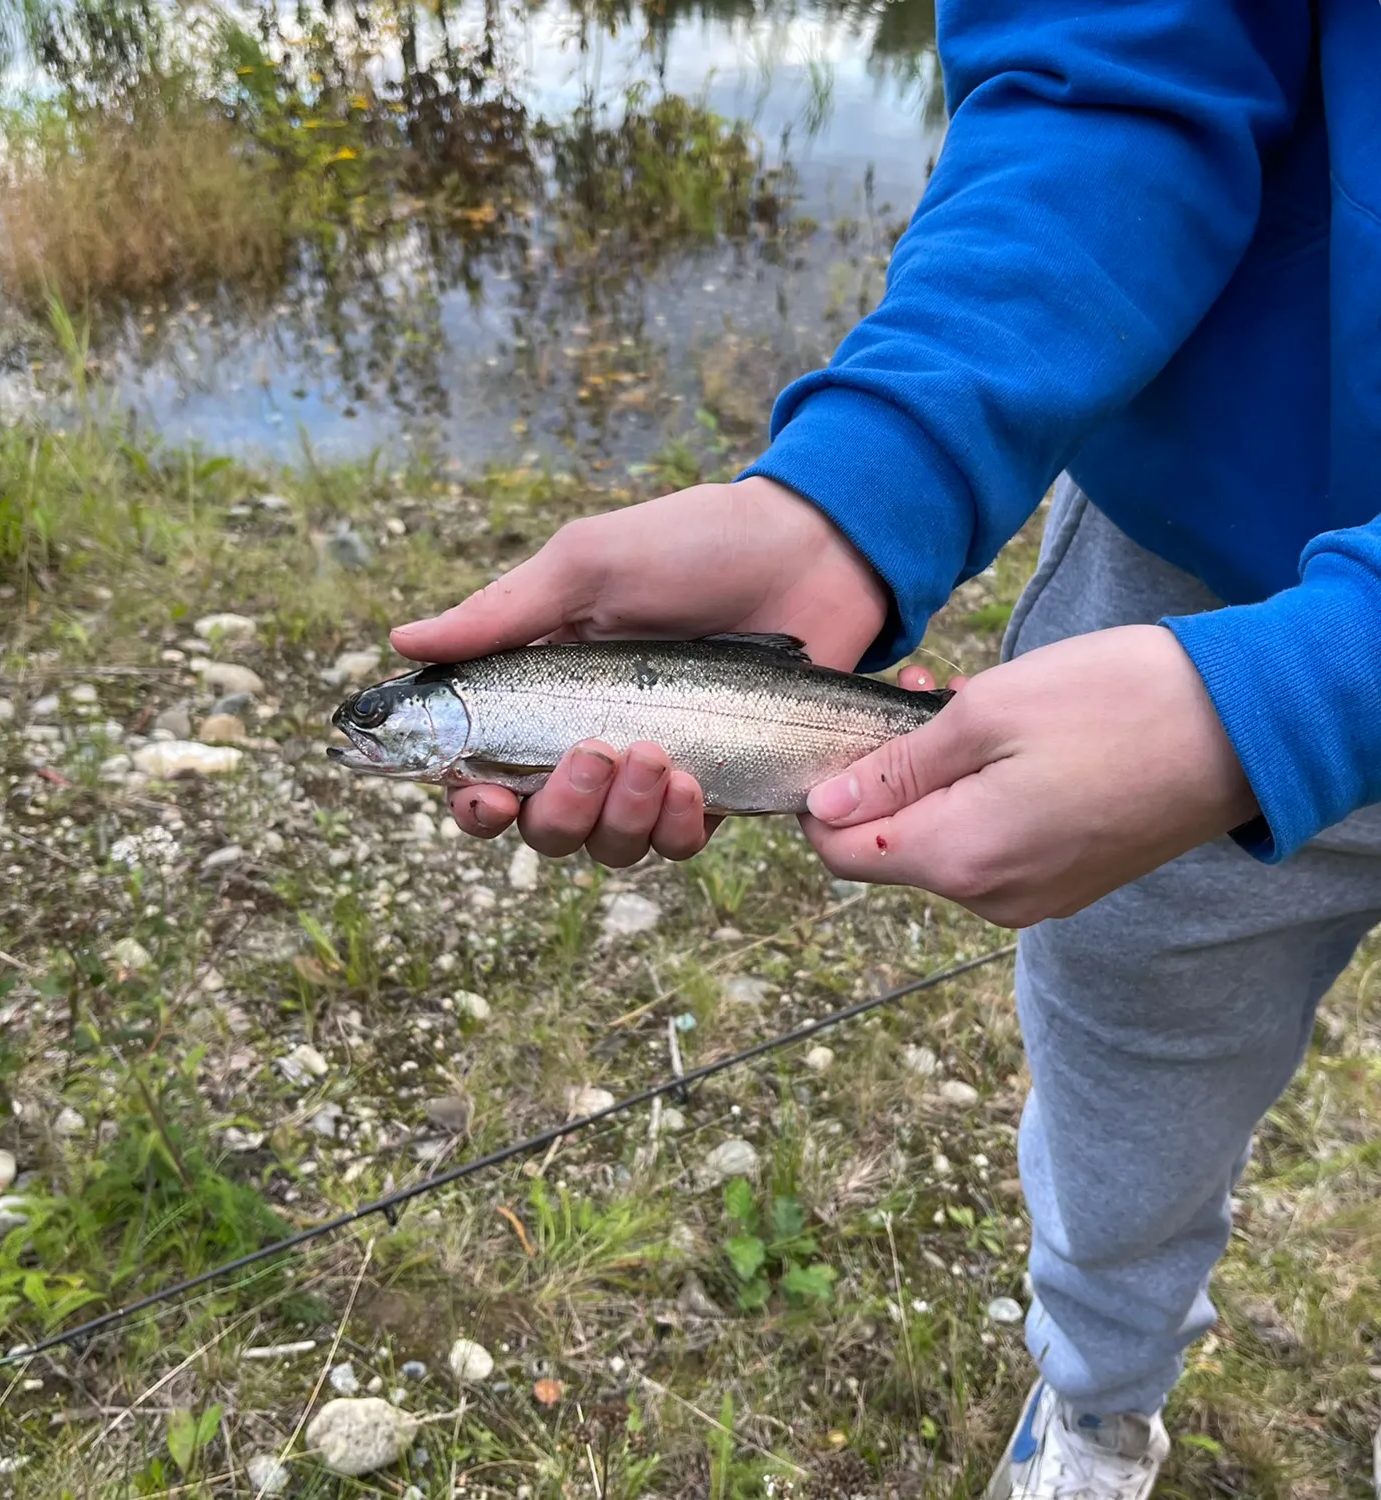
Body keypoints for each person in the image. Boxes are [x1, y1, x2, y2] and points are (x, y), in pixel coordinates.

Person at [393, 0, 1381, 1493]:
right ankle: (1100, 1403)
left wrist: (1299, 694)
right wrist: (861, 489)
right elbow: (1111, 74)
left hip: (1224, 669)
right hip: (1177, 596)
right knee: (1128, 1095)